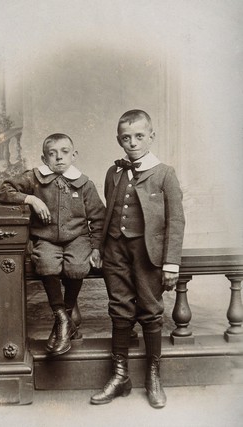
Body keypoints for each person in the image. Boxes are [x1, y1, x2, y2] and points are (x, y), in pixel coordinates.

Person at [90, 110, 185, 408]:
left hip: (148, 255)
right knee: (119, 309)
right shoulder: (113, 172)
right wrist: (100, 247)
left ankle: (152, 378)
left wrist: (171, 263)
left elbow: (176, 221)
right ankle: (120, 377)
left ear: (151, 137)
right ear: (119, 140)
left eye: (139, 136)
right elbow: (107, 212)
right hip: (115, 251)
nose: (132, 142)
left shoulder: (165, 172)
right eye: (126, 137)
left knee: (150, 309)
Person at [0, 133, 104, 356]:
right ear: (44, 158)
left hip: (78, 238)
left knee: (77, 267)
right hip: (45, 238)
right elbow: (3, 191)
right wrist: (31, 199)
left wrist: (95, 247)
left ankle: (62, 323)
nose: (59, 158)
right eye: (52, 154)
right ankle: (63, 318)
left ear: (74, 155)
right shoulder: (35, 178)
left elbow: (99, 218)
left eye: (65, 152)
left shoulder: (84, 184)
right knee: (46, 263)